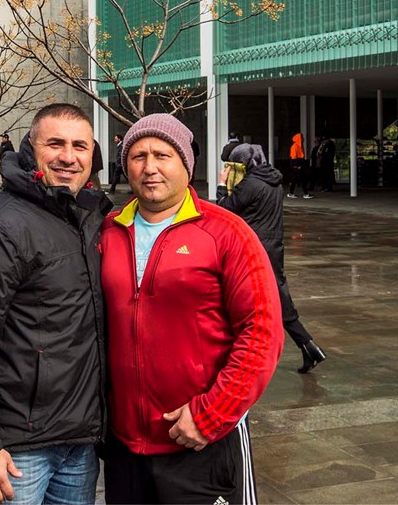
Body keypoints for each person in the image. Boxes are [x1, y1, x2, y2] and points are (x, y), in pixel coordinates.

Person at [101, 114, 282, 504]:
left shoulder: (227, 233)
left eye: (163, 155)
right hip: (124, 448)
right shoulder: (109, 230)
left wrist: (212, 415)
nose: (149, 167)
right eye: (137, 156)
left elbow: (262, 331)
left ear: (186, 164)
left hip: (202, 443)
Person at [0, 104, 111, 505]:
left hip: (80, 445)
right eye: (55, 144)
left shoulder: (89, 219)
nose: (69, 156)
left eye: (80, 146)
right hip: (18, 452)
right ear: (31, 149)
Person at [217, 143, 326, 374]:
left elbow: (225, 209)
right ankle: (308, 346)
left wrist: (221, 184)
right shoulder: (274, 182)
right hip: (274, 245)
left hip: (255, 247)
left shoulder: (250, 184)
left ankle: (304, 346)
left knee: (250, 299)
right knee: (276, 297)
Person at [287, 132, 312, 199]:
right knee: (302, 179)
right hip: (297, 165)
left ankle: (291, 193)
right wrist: (296, 165)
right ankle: (305, 193)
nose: (303, 139)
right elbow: (293, 157)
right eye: (302, 138)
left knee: (295, 180)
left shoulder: (299, 146)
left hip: (298, 165)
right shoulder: (295, 146)